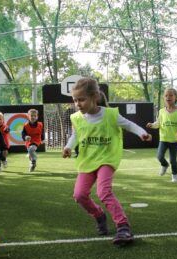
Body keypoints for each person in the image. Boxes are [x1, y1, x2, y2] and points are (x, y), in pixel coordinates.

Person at [62, 78, 152, 245]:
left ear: (95, 97)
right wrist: (68, 147)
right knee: (79, 195)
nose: (78, 104)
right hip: (87, 160)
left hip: (107, 158)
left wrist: (142, 133)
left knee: (103, 191)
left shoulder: (110, 115)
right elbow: (76, 135)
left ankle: (123, 226)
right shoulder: (77, 118)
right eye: (75, 100)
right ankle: (99, 215)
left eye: (81, 99)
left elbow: (129, 125)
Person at [147, 88, 177, 183]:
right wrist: (152, 125)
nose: (168, 97)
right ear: (164, 97)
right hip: (163, 139)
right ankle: (164, 165)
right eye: (166, 95)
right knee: (159, 156)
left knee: (173, 160)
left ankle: (175, 175)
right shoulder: (161, 111)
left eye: (171, 95)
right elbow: (158, 123)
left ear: (175, 97)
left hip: (174, 140)